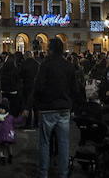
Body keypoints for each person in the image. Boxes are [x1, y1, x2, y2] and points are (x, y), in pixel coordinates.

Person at [33, 37, 80, 178]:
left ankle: (43, 173)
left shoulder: (45, 65)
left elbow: (39, 87)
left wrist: (39, 102)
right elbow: (75, 89)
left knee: (45, 143)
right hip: (64, 109)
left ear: (50, 49)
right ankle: (63, 173)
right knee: (64, 144)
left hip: (48, 108)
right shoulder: (69, 66)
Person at [0, 98, 27, 165]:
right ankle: (2, 157)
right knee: (1, 147)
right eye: (0, 108)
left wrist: (23, 116)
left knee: (8, 146)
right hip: (0, 136)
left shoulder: (10, 117)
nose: (1, 110)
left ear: (6, 110)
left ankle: (10, 155)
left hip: (8, 136)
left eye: (3, 108)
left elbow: (17, 121)